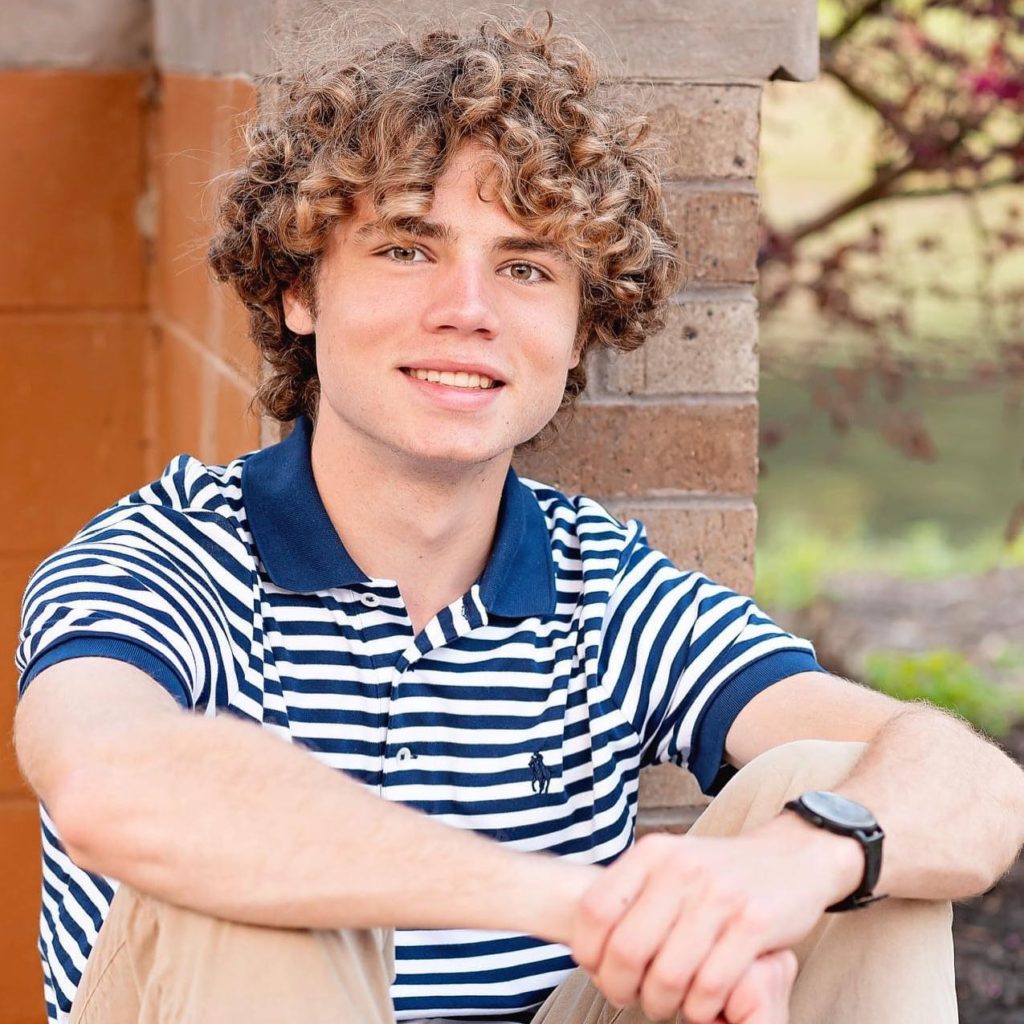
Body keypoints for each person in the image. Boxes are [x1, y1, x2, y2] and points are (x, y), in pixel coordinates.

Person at [13, 12, 1024, 1024]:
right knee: (243, 863)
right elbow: (110, 780)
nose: (469, 308)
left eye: (526, 266)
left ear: (579, 326)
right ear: (297, 290)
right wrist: (581, 904)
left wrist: (795, 866)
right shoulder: (162, 558)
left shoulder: (602, 586)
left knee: (845, 800)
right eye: (407, 248)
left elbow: (973, 783)